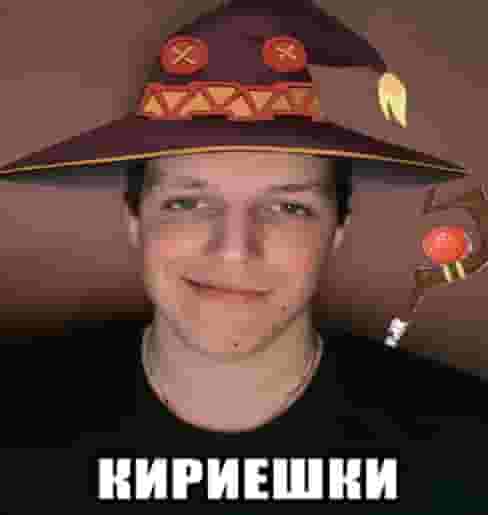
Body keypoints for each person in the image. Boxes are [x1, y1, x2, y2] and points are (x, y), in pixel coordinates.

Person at [1, 0, 486, 512]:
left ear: (337, 231)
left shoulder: (467, 446)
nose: (235, 249)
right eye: (188, 203)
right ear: (135, 219)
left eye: (288, 207)